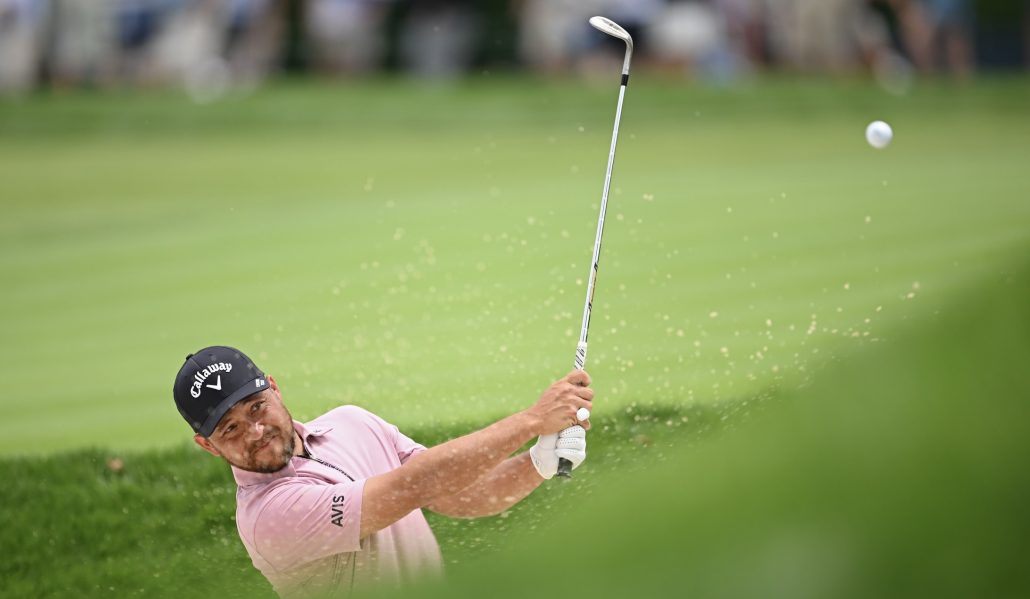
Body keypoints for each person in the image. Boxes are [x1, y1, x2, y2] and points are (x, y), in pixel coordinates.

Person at [173, 346, 592, 597]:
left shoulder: (350, 423)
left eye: (257, 407)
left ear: (274, 387)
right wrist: (533, 420)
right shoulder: (269, 516)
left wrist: (540, 461)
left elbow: (454, 494)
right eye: (231, 429)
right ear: (207, 445)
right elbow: (415, 485)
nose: (257, 431)